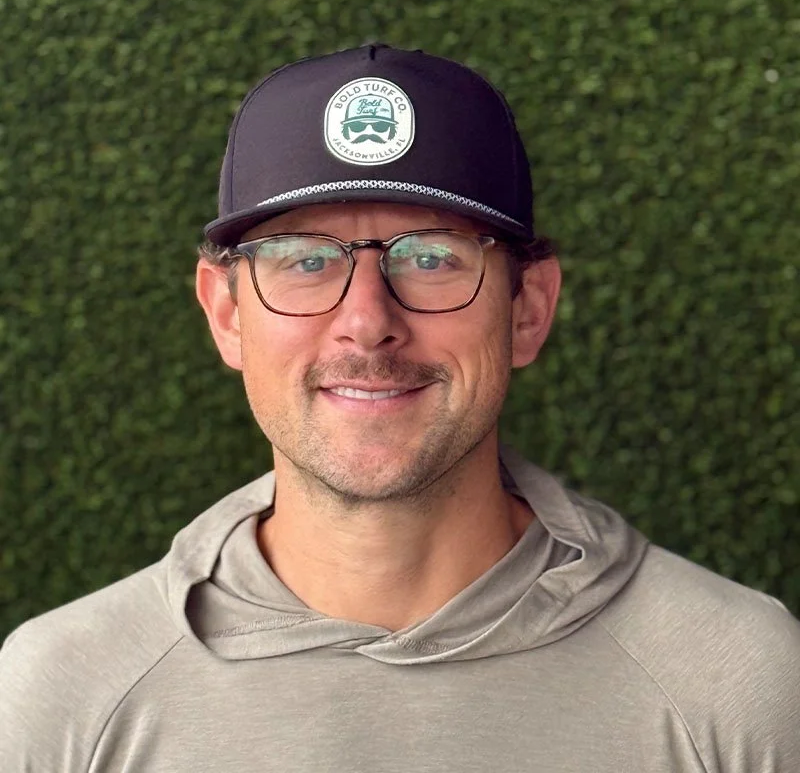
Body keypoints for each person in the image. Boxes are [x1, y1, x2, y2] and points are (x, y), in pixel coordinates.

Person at [1, 44, 798, 772]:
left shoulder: (735, 684)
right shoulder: (63, 697)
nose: (367, 321)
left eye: (431, 257)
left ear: (528, 309)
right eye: (304, 260)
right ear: (227, 313)